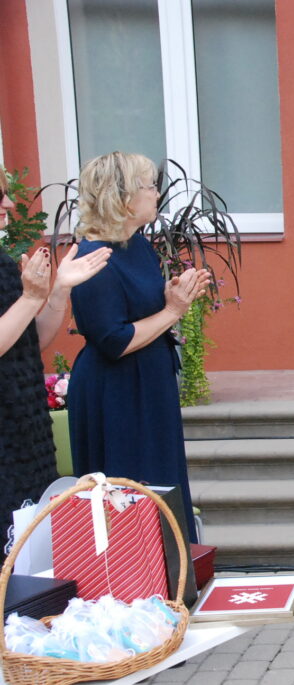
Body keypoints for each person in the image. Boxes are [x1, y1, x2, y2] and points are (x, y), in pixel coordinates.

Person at [67, 151, 211, 543]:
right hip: (116, 395)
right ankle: (133, 574)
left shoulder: (136, 246)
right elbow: (114, 340)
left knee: (161, 484)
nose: (156, 193)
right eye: (149, 186)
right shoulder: (94, 259)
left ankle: (170, 571)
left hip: (148, 386)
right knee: (130, 490)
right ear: (124, 196)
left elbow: (142, 305)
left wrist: (172, 294)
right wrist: (173, 310)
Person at [0, 169, 111, 560]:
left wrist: (59, 290)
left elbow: (30, 343)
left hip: (24, 433)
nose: (8, 203)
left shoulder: (2, 263)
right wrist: (30, 297)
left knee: (30, 555)